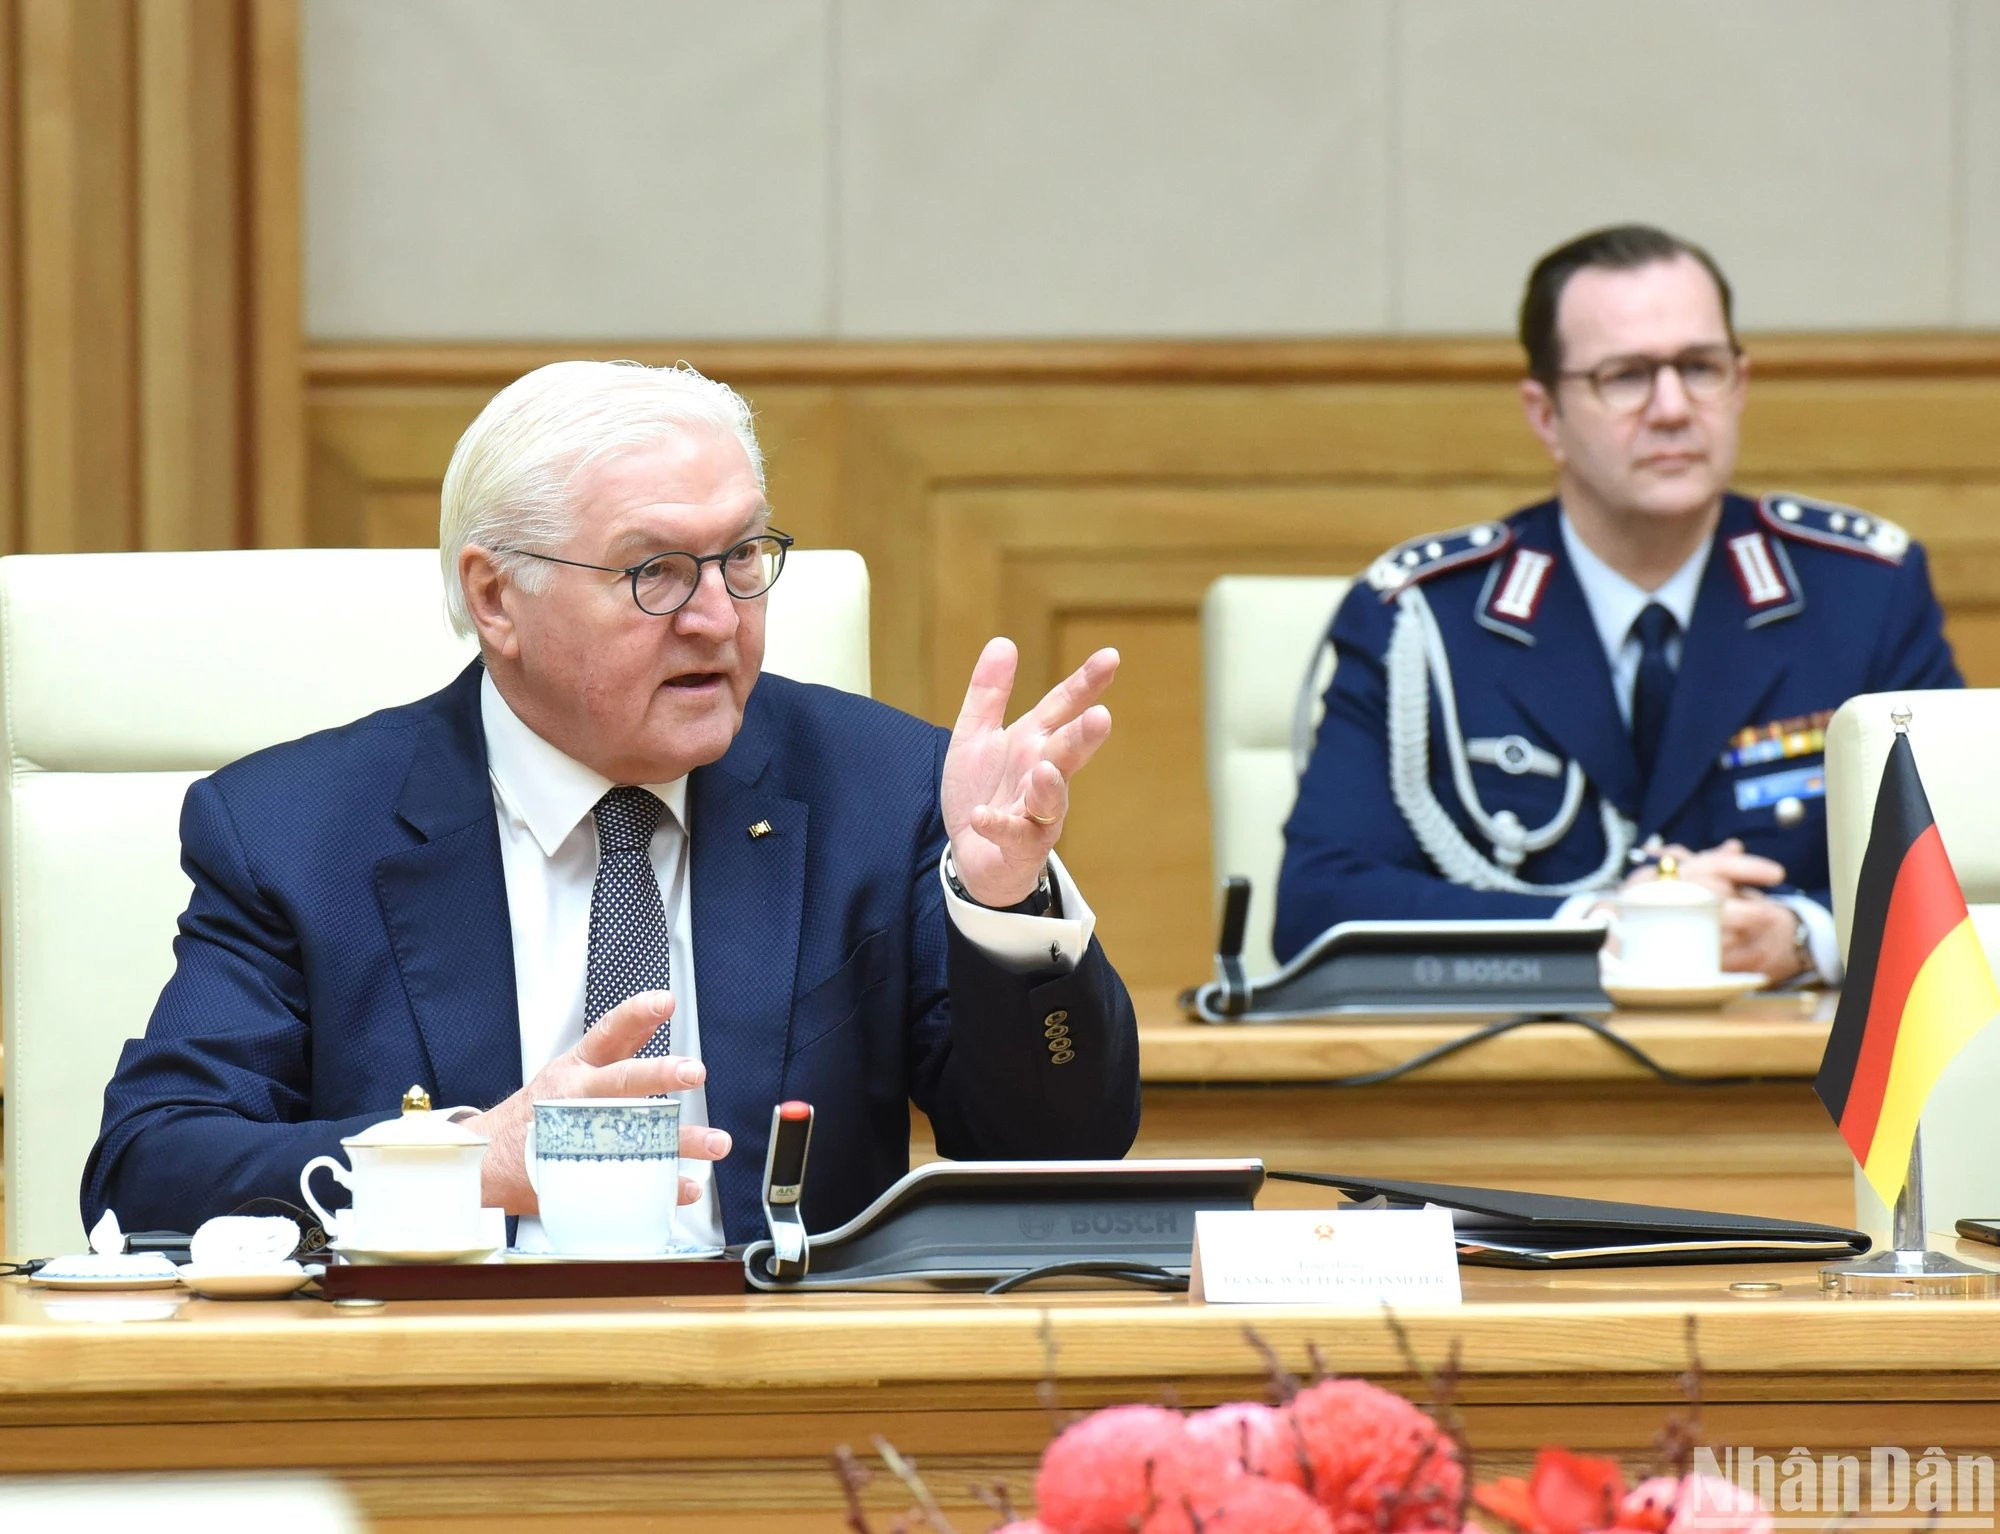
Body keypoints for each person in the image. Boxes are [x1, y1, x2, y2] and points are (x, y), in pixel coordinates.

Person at [84, 360, 1141, 1246]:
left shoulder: (882, 791)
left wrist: (1004, 913)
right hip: (431, 1412)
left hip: (793, 1407)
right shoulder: (294, 833)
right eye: (655, 573)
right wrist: (460, 1163)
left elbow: (1061, 1157)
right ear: (497, 596)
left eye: (740, 557)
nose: (718, 618)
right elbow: (148, 1169)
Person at [1276, 225, 1960, 985]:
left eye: (1700, 368)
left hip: (1791, 1085)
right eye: (1625, 376)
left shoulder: (1863, 593)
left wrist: (1804, 936)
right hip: (1514, 1081)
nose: (1671, 408)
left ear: (1739, 385)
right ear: (1545, 416)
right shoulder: (1423, 618)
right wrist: (1596, 927)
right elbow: (1317, 904)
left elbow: (1966, 867)